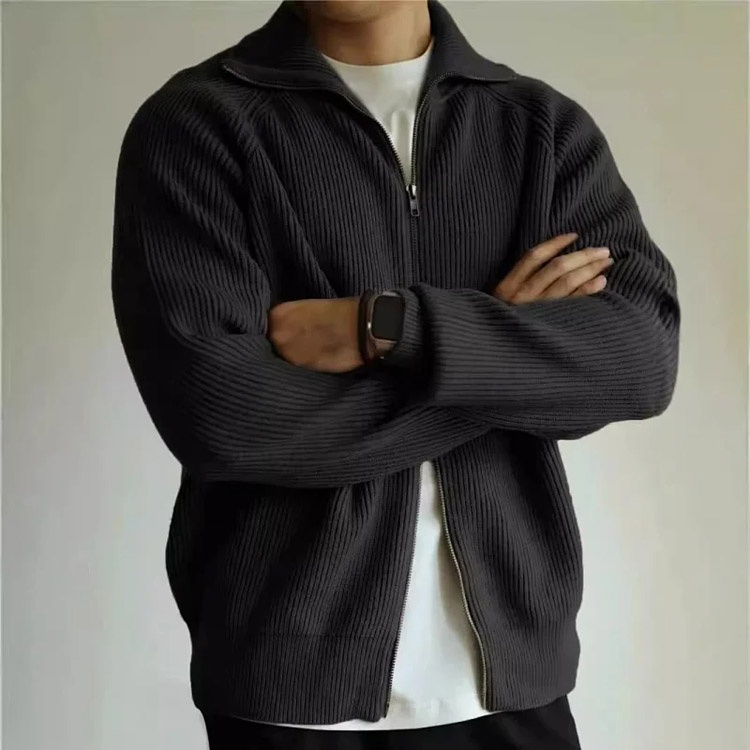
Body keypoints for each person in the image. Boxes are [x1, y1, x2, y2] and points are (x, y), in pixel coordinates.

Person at [111, 1, 680, 748]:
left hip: (512, 682)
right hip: (289, 689)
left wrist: (386, 326)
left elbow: (640, 360)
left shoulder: (541, 130)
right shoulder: (198, 125)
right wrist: (501, 356)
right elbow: (225, 420)